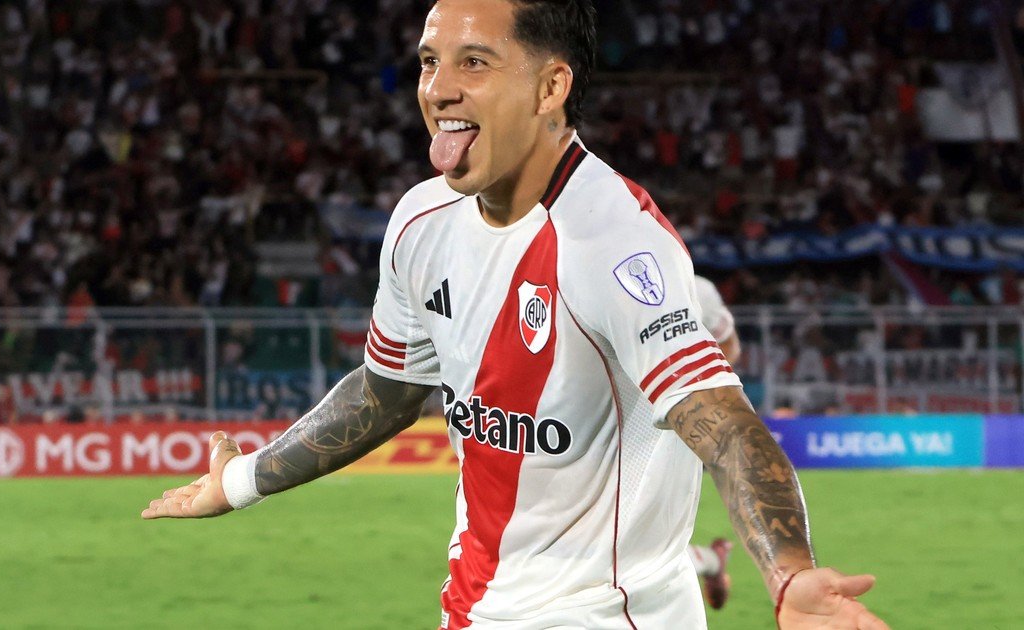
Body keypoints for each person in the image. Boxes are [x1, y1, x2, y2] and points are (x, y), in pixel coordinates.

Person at [143, 1, 889, 628]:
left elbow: (722, 423)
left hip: (606, 616)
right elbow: (387, 389)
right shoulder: (420, 222)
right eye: (429, 62)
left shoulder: (616, 244)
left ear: (550, 87)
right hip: (475, 606)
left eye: (474, 62)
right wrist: (241, 481)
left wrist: (789, 575)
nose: (438, 88)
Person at [686, 275, 743, 611]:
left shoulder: (696, 288)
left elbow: (729, 345)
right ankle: (711, 560)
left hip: (664, 426)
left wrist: (699, 398)